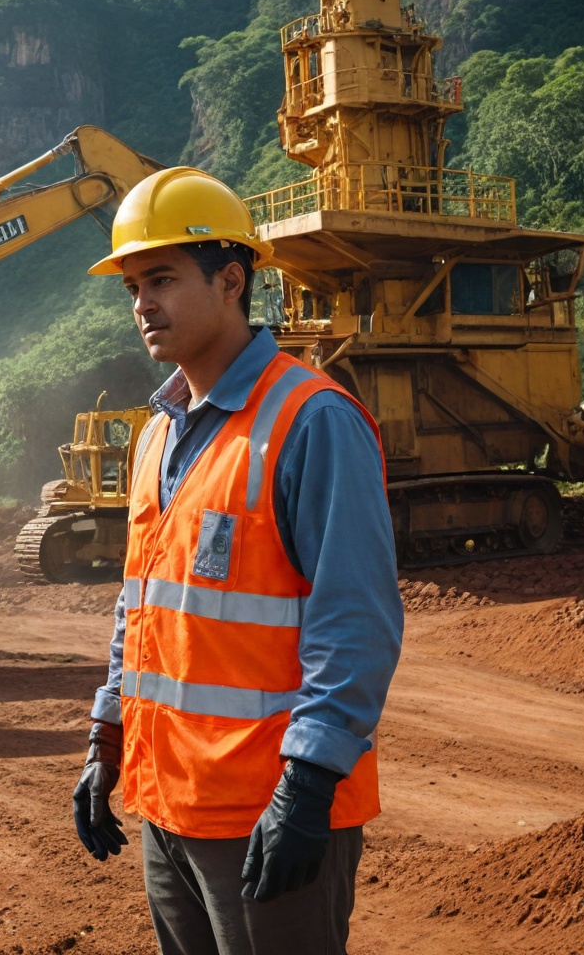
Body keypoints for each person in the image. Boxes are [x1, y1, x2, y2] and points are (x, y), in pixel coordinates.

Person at [71, 166, 403, 955]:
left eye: (161, 278)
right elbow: (140, 607)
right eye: (131, 286)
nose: (142, 303)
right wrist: (105, 740)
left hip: (266, 810)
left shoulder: (312, 420)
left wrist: (309, 786)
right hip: (167, 802)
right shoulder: (156, 434)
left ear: (230, 280)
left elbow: (355, 622)